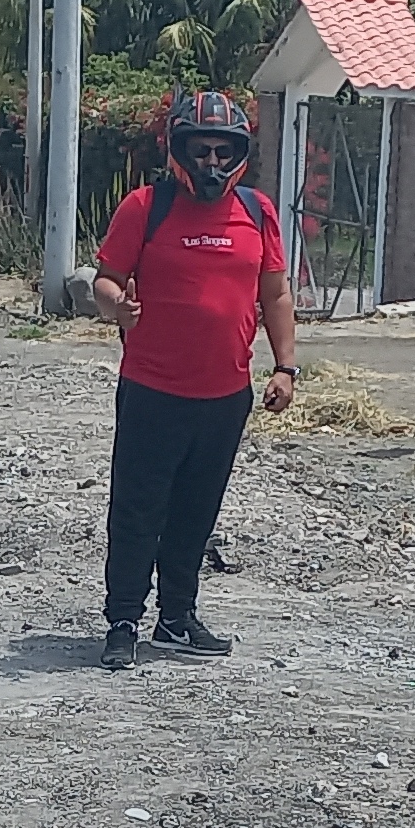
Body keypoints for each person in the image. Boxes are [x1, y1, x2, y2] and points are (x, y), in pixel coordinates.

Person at [89, 92, 297, 669]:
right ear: (177, 151)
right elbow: (105, 279)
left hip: (224, 398)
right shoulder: (145, 207)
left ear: (239, 154)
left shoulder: (257, 212)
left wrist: (285, 367)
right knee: (137, 511)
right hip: (152, 391)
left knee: (195, 514)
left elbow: (275, 293)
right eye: (200, 150)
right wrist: (116, 307)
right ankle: (123, 622)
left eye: (222, 151)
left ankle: (176, 618)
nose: (211, 162)